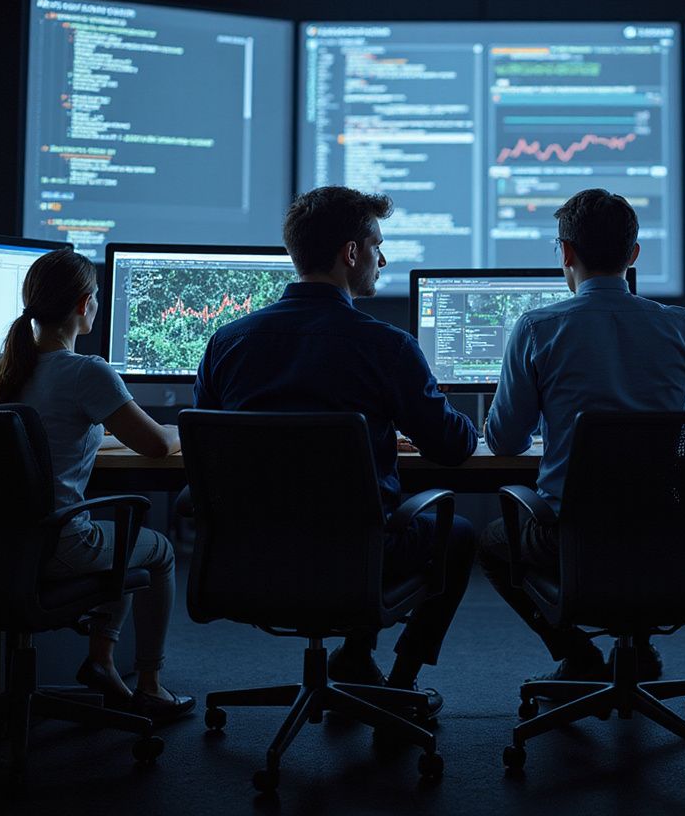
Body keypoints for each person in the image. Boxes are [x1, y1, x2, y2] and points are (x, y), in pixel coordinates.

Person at [194, 186, 478, 715]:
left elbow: (211, 451)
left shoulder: (226, 343)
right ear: (352, 253)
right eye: (378, 245)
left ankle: (353, 659)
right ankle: (396, 681)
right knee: (455, 533)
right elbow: (454, 446)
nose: (382, 258)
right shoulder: (385, 345)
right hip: (356, 558)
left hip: (251, 559)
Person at [477, 188, 685, 682]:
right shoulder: (683, 326)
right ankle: (635, 650)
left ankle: (579, 656)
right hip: (672, 534)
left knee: (494, 543)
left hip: (571, 540)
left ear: (566, 252)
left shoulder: (538, 329)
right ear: (634, 255)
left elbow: (505, 443)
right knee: (638, 507)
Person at [0, 249, 193, 721]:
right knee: (155, 548)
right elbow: (156, 446)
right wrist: (187, 430)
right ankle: (147, 682)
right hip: (60, 545)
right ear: (83, 305)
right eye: (95, 297)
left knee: (117, 537)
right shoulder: (87, 372)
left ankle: (102, 662)